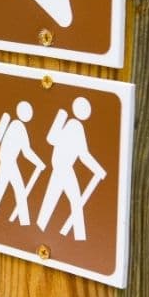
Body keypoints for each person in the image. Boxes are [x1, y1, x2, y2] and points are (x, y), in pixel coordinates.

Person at [36, 96, 106, 241]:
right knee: (74, 200)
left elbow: (82, 154)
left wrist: (97, 169)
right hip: (64, 169)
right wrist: (97, 169)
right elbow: (83, 154)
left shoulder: (70, 124)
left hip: (59, 168)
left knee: (52, 200)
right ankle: (80, 237)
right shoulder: (75, 126)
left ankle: (41, 227)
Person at [0, 101, 46, 226]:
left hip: (6, 161)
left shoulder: (14, 125)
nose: (30, 115)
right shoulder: (19, 127)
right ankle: (24, 222)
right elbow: (26, 151)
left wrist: (38, 162)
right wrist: (39, 162)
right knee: (18, 190)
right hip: (9, 162)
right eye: (28, 112)